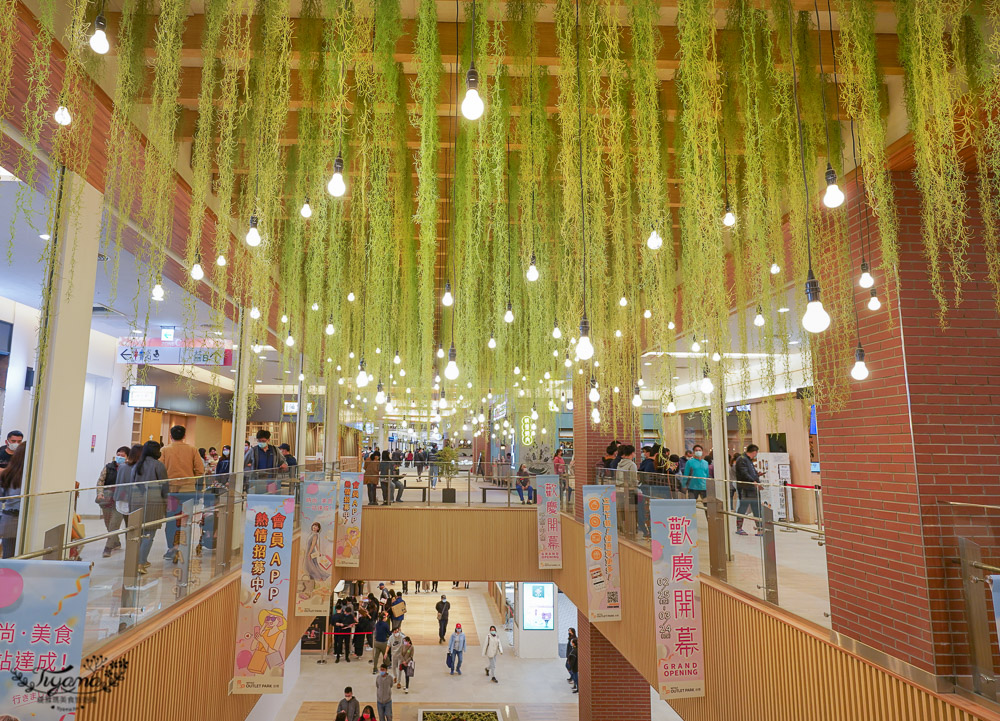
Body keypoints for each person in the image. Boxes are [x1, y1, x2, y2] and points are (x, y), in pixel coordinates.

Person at [160, 425, 204, 561]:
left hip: (171, 492)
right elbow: (200, 470)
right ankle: (183, 547)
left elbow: (160, 470)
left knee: (172, 520)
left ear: (170, 436)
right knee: (185, 520)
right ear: (184, 436)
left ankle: (172, 548)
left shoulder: (165, 450)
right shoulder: (192, 450)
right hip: (188, 491)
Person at [129, 441, 169, 573]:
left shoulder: (136, 466)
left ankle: (138, 560)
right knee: (149, 533)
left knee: (138, 533)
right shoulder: (158, 465)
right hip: (153, 501)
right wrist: (166, 502)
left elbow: (131, 484)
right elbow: (164, 486)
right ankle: (140, 563)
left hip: (136, 501)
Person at [97, 445, 130, 557]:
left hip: (120, 499)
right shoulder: (108, 467)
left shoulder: (128, 468)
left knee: (113, 524)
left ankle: (108, 548)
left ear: (127, 457)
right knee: (108, 523)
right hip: (107, 499)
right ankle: (115, 542)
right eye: (118, 455)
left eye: (122, 455)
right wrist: (100, 493)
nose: (119, 457)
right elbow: (100, 481)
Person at [0, 442, 26, 558]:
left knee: (9, 558)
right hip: (19, 520)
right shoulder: (30, 477)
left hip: (9, 520)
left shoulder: (8, 474)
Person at [734, 444, 764, 536]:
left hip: (752, 488)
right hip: (745, 488)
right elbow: (744, 473)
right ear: (754, 452)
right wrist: (753, 481)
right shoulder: (742, 459)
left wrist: (757, 477)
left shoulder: (748, 460)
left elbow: (750, 473)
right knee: (743, 508)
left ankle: (760, 529)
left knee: (756, 508)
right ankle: (739, 528)